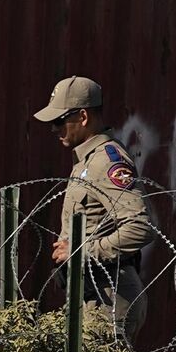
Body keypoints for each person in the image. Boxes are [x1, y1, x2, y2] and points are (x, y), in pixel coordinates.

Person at [36, 75, 155, 337]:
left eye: (59, 122)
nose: (54, 129)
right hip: (92, 296)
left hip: (110, 300)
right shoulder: (86, 161)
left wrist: (82, 251)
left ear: (83, 117)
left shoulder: (107, 162)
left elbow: (140, 226)